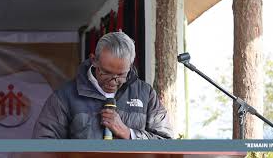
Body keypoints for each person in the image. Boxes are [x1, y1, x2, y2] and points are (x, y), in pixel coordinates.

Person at [32, 32, 173, 139]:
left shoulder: (145, 94)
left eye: (121, 75)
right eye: (106, 73)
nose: (113, 81)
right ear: (94, 60)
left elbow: (166, 143)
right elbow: (42, 143)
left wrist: (129, 133)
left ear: (130, 66)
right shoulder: (65, 96)